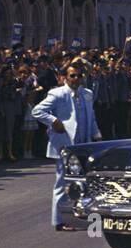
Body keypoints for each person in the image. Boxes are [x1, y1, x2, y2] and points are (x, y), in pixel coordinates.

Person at [32, 60, 103, 230]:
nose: (76, 79)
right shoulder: (57, 94)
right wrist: (53, 120)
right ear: (65, 77)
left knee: (85, 180)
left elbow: (91, 116)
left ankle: (81, 215)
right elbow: (37, 111)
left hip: (83, 142)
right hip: (65, 143)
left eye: (79, 75)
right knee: (62, 181)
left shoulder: (86, 93)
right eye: (72, 76)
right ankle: (59, 220)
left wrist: (96, 135)